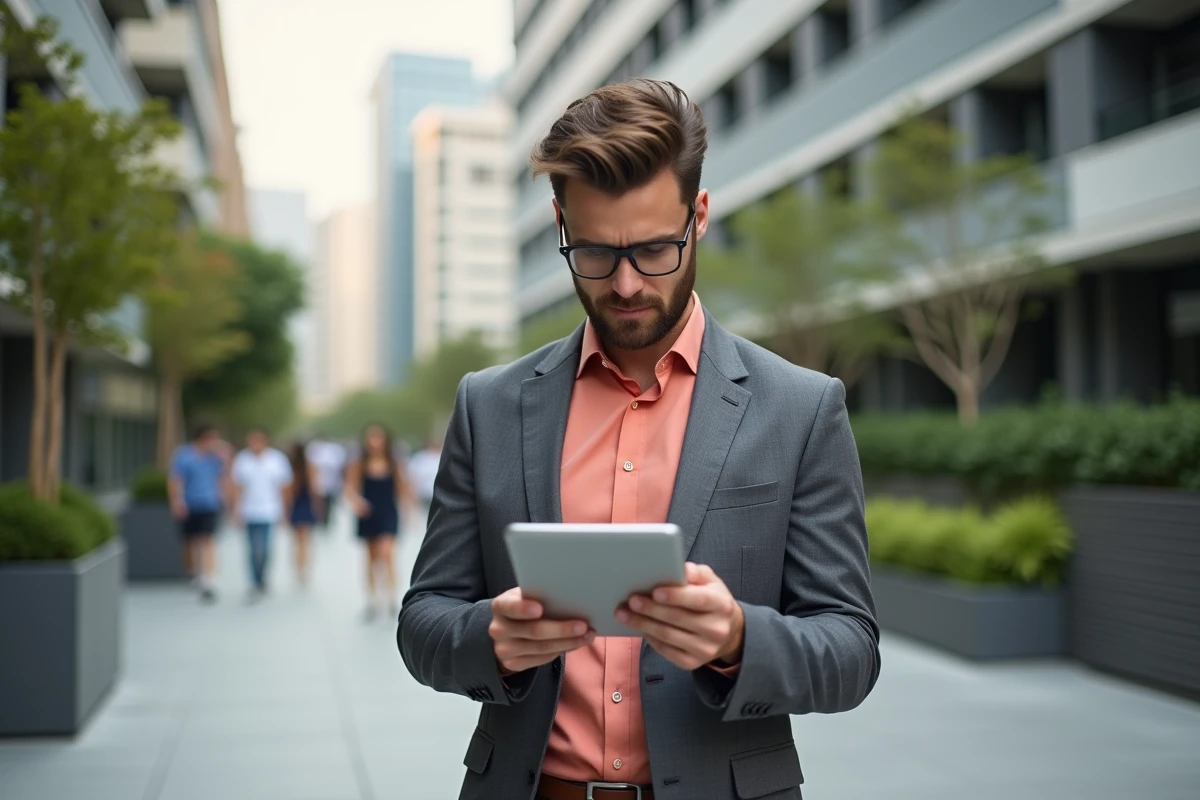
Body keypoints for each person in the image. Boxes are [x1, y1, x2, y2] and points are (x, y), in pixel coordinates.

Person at [398, 79, 879, 800]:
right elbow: (423, 622)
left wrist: (737, 640)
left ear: (701, 215)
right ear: (561, 224)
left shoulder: (801, 409)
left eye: (655, 249)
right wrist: (489, 642)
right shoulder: (488, 405)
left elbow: (850, 651)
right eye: (593, 253)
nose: (625, 284)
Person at [344, 424, 414, 621]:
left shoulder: (394, 463)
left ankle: (392, 598)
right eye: (371, 437)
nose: (375, 442)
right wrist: (357, 502)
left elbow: (403, 489)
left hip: (388, 512)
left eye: (378, 437)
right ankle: (373, 601)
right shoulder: (359, 463)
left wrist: (408, 513)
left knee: (387, 553)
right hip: (368, 514)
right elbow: (350, 488)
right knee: (371, 558)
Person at [229, 427, 292, 601]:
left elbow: (284, 487)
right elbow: (236, 486)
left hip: (270, 510)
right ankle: (254, 581)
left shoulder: (277, 460)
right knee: (252, 548)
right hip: (248, 510)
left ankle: (262, 577)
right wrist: (235, 510)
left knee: (264, 548)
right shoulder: (242, 460)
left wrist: (285, 510)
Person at [167, 422, 226, 604]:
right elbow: (176, 479)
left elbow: (224, 476)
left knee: (208, 540)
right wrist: (177, 501)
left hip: (209, 504)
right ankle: (192, 573)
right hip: (189, 504)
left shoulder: (215, 458)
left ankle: (208, 579)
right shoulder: (184, 455)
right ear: (204, 438)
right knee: (189, 541)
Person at [286, 441, 323, 587]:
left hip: (296, 505)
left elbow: (288, 492)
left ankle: (299, 569)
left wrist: (286, 509)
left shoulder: (291, 469)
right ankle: (305, 568)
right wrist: (319, 507)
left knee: (297, 541)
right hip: (307, 504)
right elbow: (315, 489)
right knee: (306, 540)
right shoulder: (310, 467)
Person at [307, 434, 346, 531]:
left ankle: (326, 519)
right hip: (322, 483)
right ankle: (322, 518)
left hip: (331, 484)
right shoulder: (318, 451)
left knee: (329, 502)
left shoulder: (333, 451)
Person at [405, 435, 442, 509]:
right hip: (424, 496)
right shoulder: (420, 458)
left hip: (439, 495)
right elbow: (413, 478)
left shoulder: (440, 456)